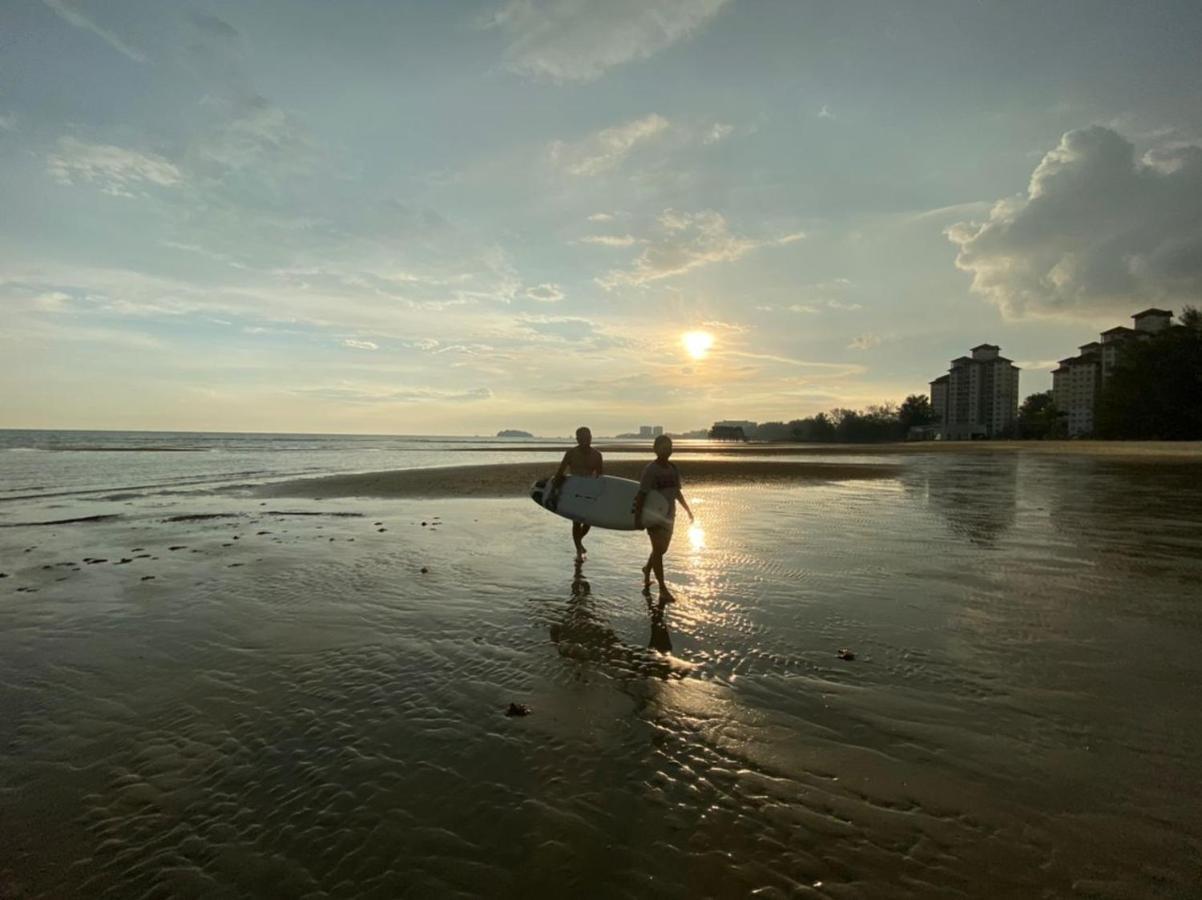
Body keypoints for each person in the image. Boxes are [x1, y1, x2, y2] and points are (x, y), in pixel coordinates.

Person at [633, 434, 693, 602]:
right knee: (658, 551)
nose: (668, 450)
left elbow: (677, 492)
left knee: (662, 550)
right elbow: (642, 494)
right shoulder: (651, 470)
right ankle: (663, 589)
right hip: (654, 516)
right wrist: (638, 519)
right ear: (656, 449)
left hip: (670, 516)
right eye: (664, 447)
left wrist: (688, 510)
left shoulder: (673, 468)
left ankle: (647, 569)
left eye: (670, 446)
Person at [553, 426, 603, 561]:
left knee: (589, 521)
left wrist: (601, 495)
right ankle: (579, 551)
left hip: (589, 490)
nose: (587, 441)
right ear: (578, 439)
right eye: (583, 438)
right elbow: (560, 472)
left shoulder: (597, 455)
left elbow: (600, 477)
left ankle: (579, 541)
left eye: (588, 438)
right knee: (576, 523)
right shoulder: (571, 453)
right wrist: (554, 491)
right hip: (574, 490)